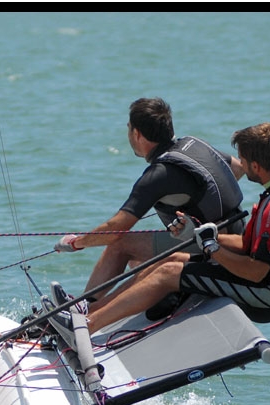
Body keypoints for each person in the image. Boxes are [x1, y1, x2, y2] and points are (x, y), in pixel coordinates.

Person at [58, 122, 270, 336]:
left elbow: (256, 271)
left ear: (256, 166)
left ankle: (88, 326)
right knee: (172, 259)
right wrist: (200, 234)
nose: (241, 165)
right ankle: (88, 314)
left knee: (169, 272)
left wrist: (211, 248)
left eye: (243, 160)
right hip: (266, 278)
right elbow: (247, 245)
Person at [54, 97, 246, 305]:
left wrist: (76, 242)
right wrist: (196, 198)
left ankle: (83, 309)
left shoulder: (157, 176)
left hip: (213, 247)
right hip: (239, 234)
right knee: (138, 260)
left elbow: (115, 229)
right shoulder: (194, 144)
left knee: (121, 245)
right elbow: (237, 169)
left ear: (136, 134)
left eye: (128, 129)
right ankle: (170, 296)